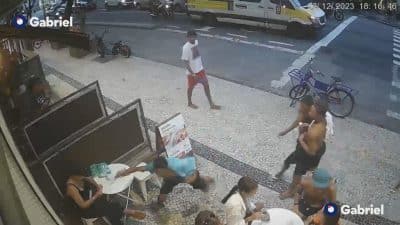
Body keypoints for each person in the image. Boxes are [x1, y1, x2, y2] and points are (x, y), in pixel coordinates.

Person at [278, 96, 328, 199]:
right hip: (313, 149)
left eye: (312, 110)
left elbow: (312, 152)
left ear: (318, 114)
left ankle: (290, 192)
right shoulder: (322, 121)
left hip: (307, 154)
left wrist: (301, 139)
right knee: (291, 162)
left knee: (297, 174)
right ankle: (303, 184)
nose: (309, 112)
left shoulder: (314, 132)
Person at [116, 156, 212, 204]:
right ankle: (160, 204)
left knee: (197, 185)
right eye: (157, 172)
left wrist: (188, 182)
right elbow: (137, 169)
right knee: (163, 194)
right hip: (171, 180)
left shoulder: (177, 165)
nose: (158, 174)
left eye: (161, 172)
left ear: (167, 168)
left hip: (183, 177)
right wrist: (124, 172)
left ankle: (205, 183)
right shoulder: (152, 167)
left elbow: (191, 165)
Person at [65, 167, 145, 225]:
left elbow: (89, 179)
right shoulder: (71, 188)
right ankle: (126, 212)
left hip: (91, 201)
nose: (84, 178)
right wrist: (96, 195)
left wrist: (97, 186)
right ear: (74, 176)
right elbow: (83, 206)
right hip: (85, 211)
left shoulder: (81, 177)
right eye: (82, 177)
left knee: (109, 205)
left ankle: (120, 216)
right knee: (111, 208)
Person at [181, 30, 221, 110]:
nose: (192, 38)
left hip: (200, 70)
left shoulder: (196, 42)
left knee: (206, 85)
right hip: (192, 73)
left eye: (193, 37)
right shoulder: (185, 48)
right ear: (187, 38)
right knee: (191, 87)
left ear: (195, 37)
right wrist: (193, 74)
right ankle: (189, 103)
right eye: (190, 37)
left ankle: (211, 104)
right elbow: (185, 62)